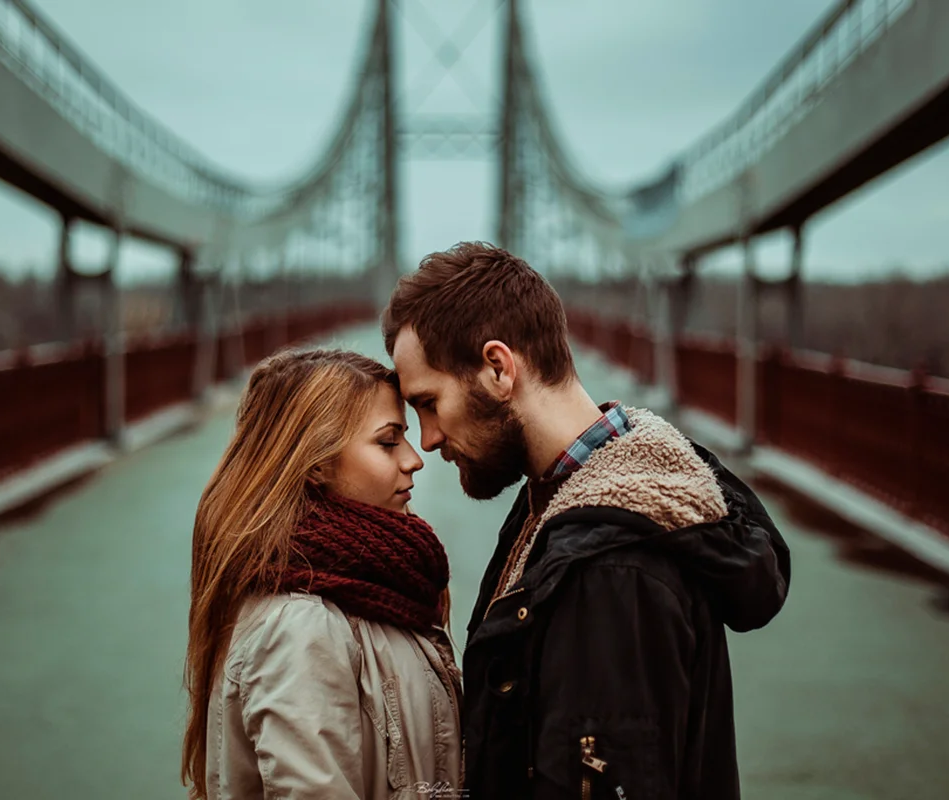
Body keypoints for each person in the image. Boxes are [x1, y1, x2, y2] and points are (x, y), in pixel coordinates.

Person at [383, 242, 790, 800]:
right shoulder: (566, 503)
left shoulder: (610, 567)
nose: (427, 439)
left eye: (429, 403)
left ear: (499, 368)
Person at [181, 349, 462, 800]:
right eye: (388, 442)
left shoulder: (377, 584)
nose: (414, 459)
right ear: (316, 462)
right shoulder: (299, 627)